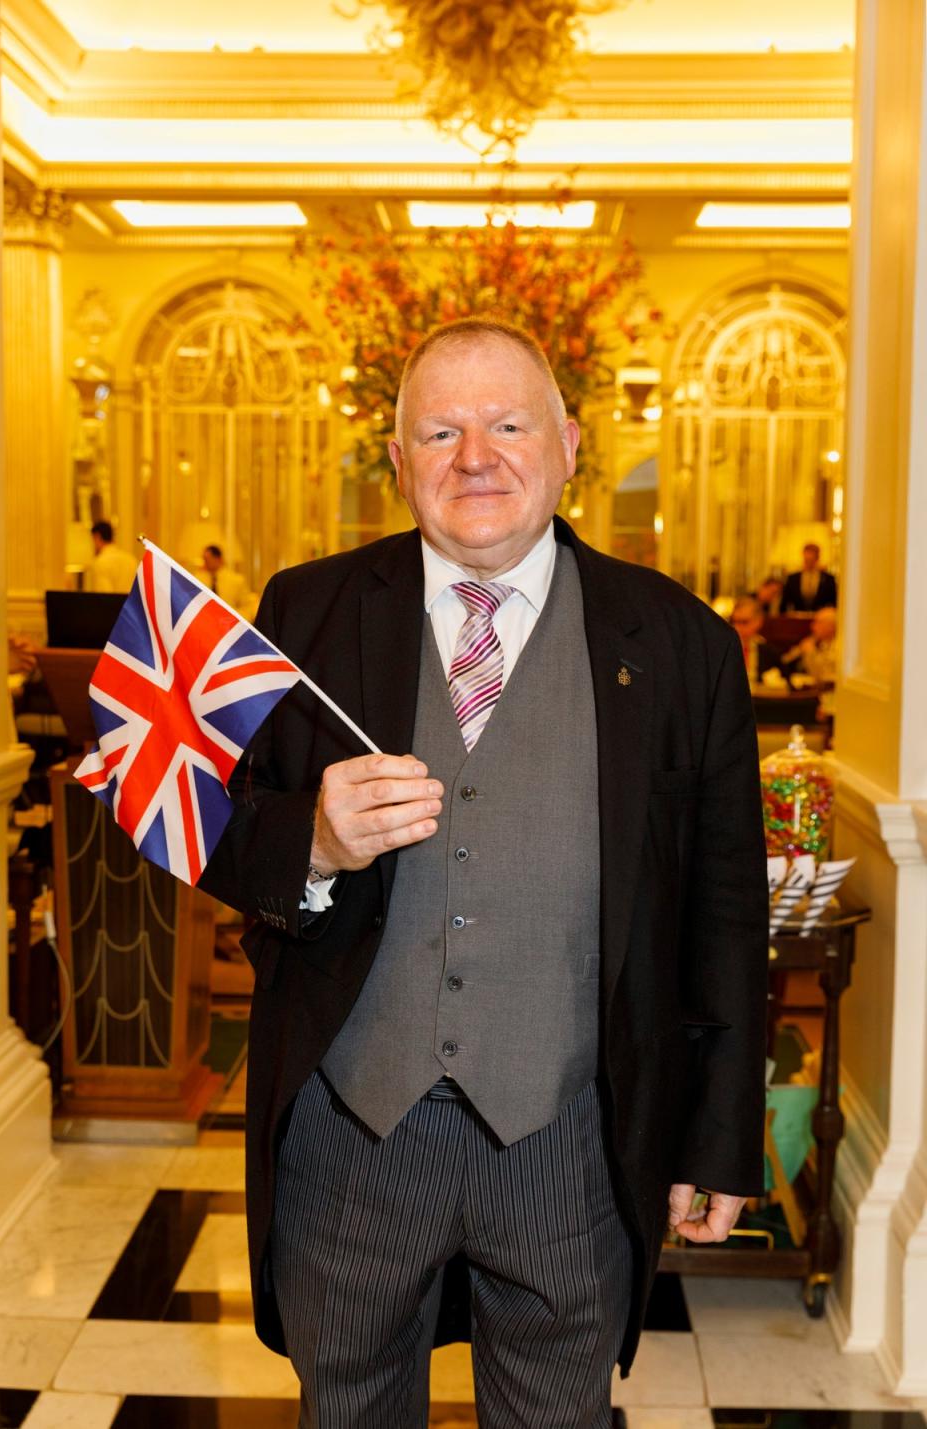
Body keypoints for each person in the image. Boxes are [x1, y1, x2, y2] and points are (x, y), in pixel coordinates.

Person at [200, 319, 768, 1427]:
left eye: (507, 425)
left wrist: (718, 1134)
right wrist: (310, 842)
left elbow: (724, 909)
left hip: (570, 1139)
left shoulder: (683, 640)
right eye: (441, 431)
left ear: (567, 442)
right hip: (350, 1132)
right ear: (400, 458)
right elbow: (220, 824)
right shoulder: (302, 611)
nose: (476, 457)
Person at [729, 595, 785, 685]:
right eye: (734, 622)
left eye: (744, 622)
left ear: (758, 622)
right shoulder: (724, 649)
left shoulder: (768, 651)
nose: (737, 628)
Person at [782, 606, 839, 685]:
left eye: (818, 622)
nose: (813, 626)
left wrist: (810, 652)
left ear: (831, 626)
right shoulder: (823, 643)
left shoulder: (839, 646)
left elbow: (823, 675)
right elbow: (785, 660)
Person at [781, 543, 838, 612]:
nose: (809, 561)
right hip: (797, 618)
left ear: (817, 558)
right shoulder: (792, 578)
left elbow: (833, 602)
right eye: (807, 559)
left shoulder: (828, 579)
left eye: (812, 559)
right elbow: (784, 603)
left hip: (821, 618)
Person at [87, 520, 136, 593]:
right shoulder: (131, 559)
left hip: (113, 603)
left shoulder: (101, 562)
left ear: (97, 537)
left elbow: (104, 596)